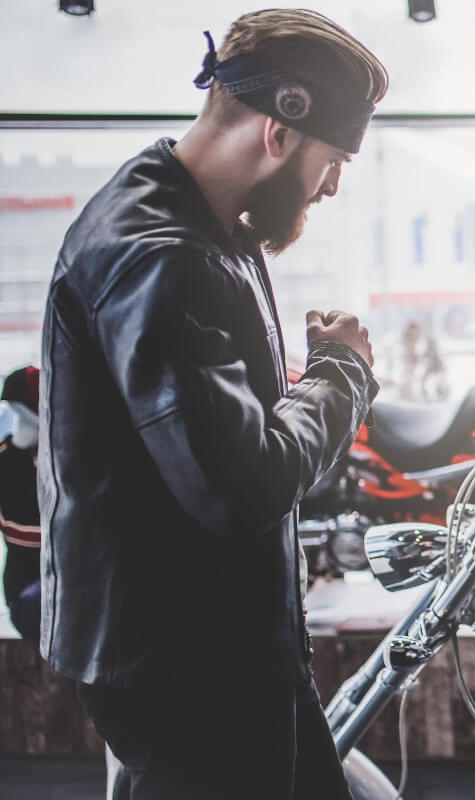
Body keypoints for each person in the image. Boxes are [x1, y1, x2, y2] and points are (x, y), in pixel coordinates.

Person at [38, 10, 387, 799]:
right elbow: (240, 486)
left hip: (220, 644)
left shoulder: (203, 221)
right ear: (279, 134)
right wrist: (342, 375)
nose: (332, 185)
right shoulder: (158, 254)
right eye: (333, 160)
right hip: (187, 669)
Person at [1, 366, 41, 641]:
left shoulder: (67, 457)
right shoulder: (5, 459)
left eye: (23, 413)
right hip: (29, 587)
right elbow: (13, 529)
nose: (18, 422)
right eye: (13, 413)